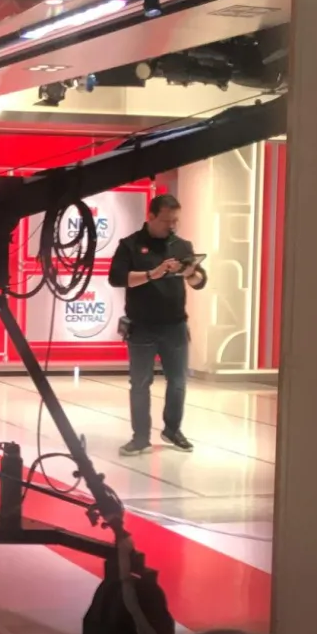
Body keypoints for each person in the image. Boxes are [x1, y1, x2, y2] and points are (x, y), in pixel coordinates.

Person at [109, 193, 207, 456]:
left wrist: (190, 273)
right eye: (166, 220)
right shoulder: (130, 245)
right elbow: (117, 279)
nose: (171, 226)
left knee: (178, 382)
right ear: (150, 217)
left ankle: (172, 429)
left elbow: (200, 282)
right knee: (140, 383)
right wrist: (154, 273)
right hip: (141, 325)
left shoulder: (183, 246)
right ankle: (140, 437)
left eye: (175, 220)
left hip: (174, 325)